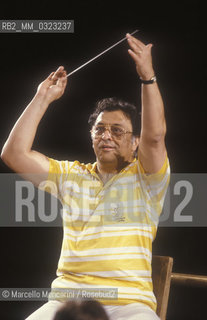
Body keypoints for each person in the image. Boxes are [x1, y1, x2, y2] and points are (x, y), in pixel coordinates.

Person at [1, 33, 170, 320]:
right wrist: (42, 98)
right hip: (68, 300)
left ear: (134, 142)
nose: (107, 135)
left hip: (129, 304)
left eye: (118, 131)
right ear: (91, 137)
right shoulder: (71, 175)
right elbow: (13, 154)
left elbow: (155, 137)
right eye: (100, 129)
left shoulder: (147, 178)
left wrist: (147, 77)